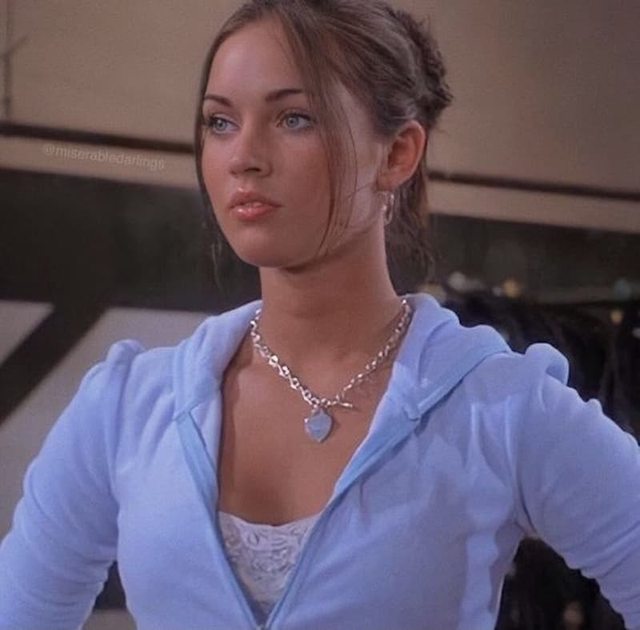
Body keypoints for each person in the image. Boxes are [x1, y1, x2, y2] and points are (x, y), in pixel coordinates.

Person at [1, 1, 639, 629]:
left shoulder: (496, 409)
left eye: (294, 118)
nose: (243, 156)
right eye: (220, 122)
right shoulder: (129, 407)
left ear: (397, 153)